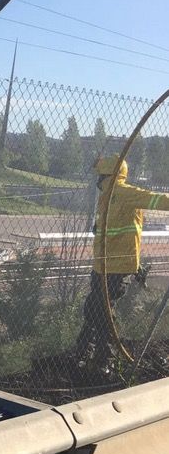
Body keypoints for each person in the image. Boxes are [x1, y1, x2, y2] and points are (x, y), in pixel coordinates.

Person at [74, 155, 169, 375]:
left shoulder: (124, 193)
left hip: (117, 266)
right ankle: (85, 354)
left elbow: (156, 199)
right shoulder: (106, 196)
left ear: (107, 175)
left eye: (100, 175)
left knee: (103, 311)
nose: (97, 180)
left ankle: (104, 359)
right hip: (103, 266)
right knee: (93, 309)